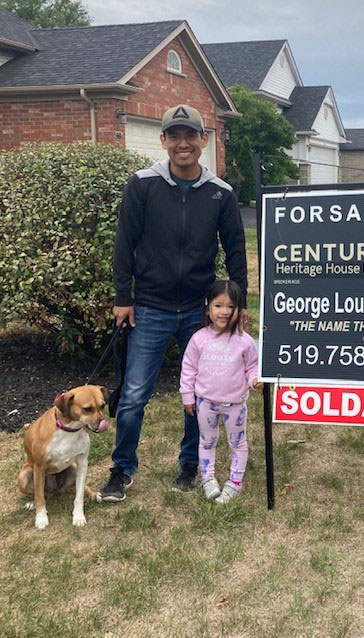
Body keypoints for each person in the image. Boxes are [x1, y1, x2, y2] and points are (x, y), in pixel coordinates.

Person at [100, 104, 249, 502]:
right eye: (174, 136)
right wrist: (123, 296)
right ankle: (122, 469)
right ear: (163, 140)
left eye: (191, 135)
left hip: (200, 313)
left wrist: (238, 305)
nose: (183, 143)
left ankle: (190, 463)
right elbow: (124, 244)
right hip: (149, 306)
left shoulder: (221, 193)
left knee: (201, 394)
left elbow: (235, 250)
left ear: (204, 139)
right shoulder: (142, 184)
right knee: (133, 395)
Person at [180, 280, 261, 504]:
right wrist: (188, 396)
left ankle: (235, 482)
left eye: (231, 306)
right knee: (206, 441)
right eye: (218, 305)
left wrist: (254, 380)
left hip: (235, 404)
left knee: (238, 443)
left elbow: (252, 366)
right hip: (206, 403)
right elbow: (188, 369)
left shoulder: (245, 341)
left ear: (239, 309)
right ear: (208, 308)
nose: (224, 311)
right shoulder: (199, 339)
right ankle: (207, 478)